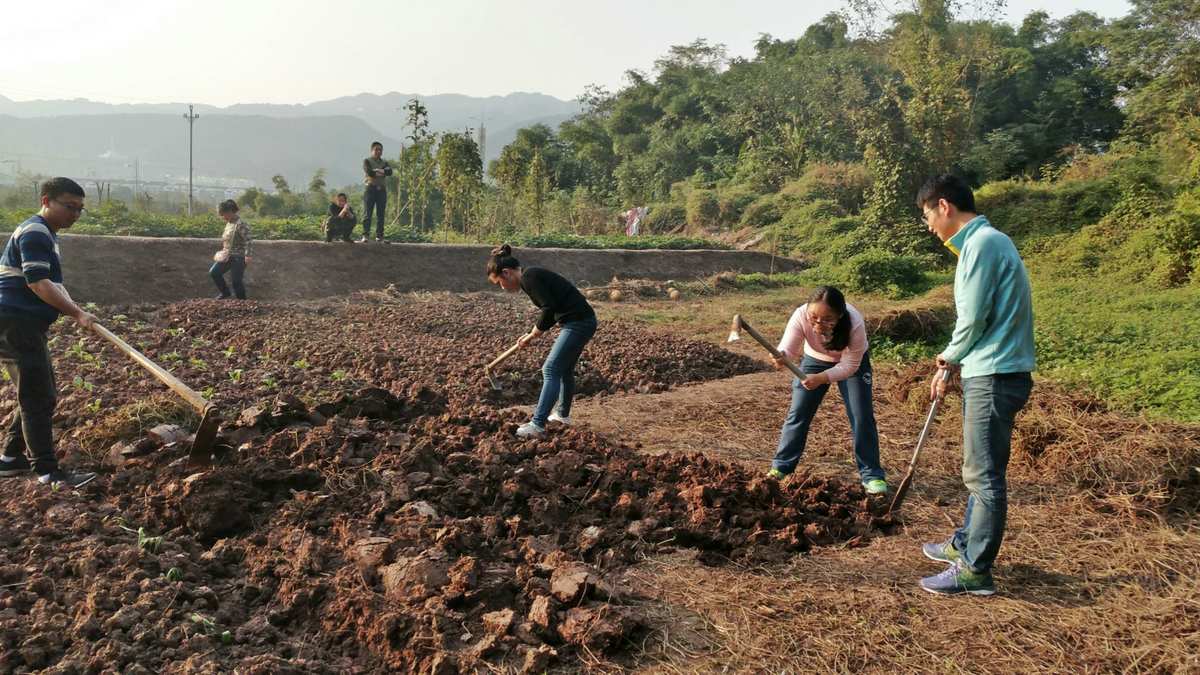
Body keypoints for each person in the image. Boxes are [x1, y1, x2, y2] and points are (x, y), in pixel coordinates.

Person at [916, 174, 1035, 596]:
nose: (928, 225)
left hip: (995, 374)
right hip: (991, 369)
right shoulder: (986, 243)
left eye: (928, 214)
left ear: (944, 206)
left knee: (983, 476)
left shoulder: (982, 245)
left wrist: (947, 358)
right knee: (978, 470)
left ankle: (975, 571)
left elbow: (973, 318)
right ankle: (964, 543)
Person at [0, 177, 98, 488]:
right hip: (16, 321)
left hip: (19, 321)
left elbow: (52, 284)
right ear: (46, 200)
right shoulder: (35, 233)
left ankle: (11, 458)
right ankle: (46, 471)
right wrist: (76, 313)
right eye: (69, 206)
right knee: (38, 394)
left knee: (37, 391)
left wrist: (72, 306)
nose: (75, 215)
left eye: (80, 210)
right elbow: (37, 282)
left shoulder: (45, 234)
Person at [767, 285, 887, 495]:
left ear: (840, 316)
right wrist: (781, 358)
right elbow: (789, 350)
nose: (819, 323)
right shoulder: (800, 315)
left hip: (852, 365)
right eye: (814, 317)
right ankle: (782, 467)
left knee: (861, 416)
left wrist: (822, 378)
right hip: (814, 360)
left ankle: (872, 475)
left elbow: (849, 366)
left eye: (827, 319)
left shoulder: (854, 323)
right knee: (798, 413)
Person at [486, 244, 598, 438]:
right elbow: (552, 309)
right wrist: (531, 332)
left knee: (551, 369)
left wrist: (535, 333)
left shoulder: (530, 278)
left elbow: (549, 308)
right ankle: (562, 416)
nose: (502, 288)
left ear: (506, 273)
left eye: (499, 283)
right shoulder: (531, 277)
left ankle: (537, 425)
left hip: (578, 323)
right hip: (581, 321)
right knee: (564, 370)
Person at [210, 199, 252, 299]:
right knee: (214, 272)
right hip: (227, 256)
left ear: (230, 212)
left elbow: (248, 240)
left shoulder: (241, 224)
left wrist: (248, 255)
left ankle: (243, 304)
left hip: (239, 257)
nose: (222, 217)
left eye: (223, 214)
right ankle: (225, 292)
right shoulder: (229, 224)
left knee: (236, 281)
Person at [361, 141, 392, 243]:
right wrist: (382, 172)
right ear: (372, 150)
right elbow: (369, 172)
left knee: (381, 214)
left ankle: (379, 236)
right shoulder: (367, 161)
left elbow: (389, 172)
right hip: (370, 189)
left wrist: (377, 171)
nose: (378, 151)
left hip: (381, 190)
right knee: (367, 213)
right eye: (376, 149)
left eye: (380, 150)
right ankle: (365, 235)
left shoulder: (385, 162)